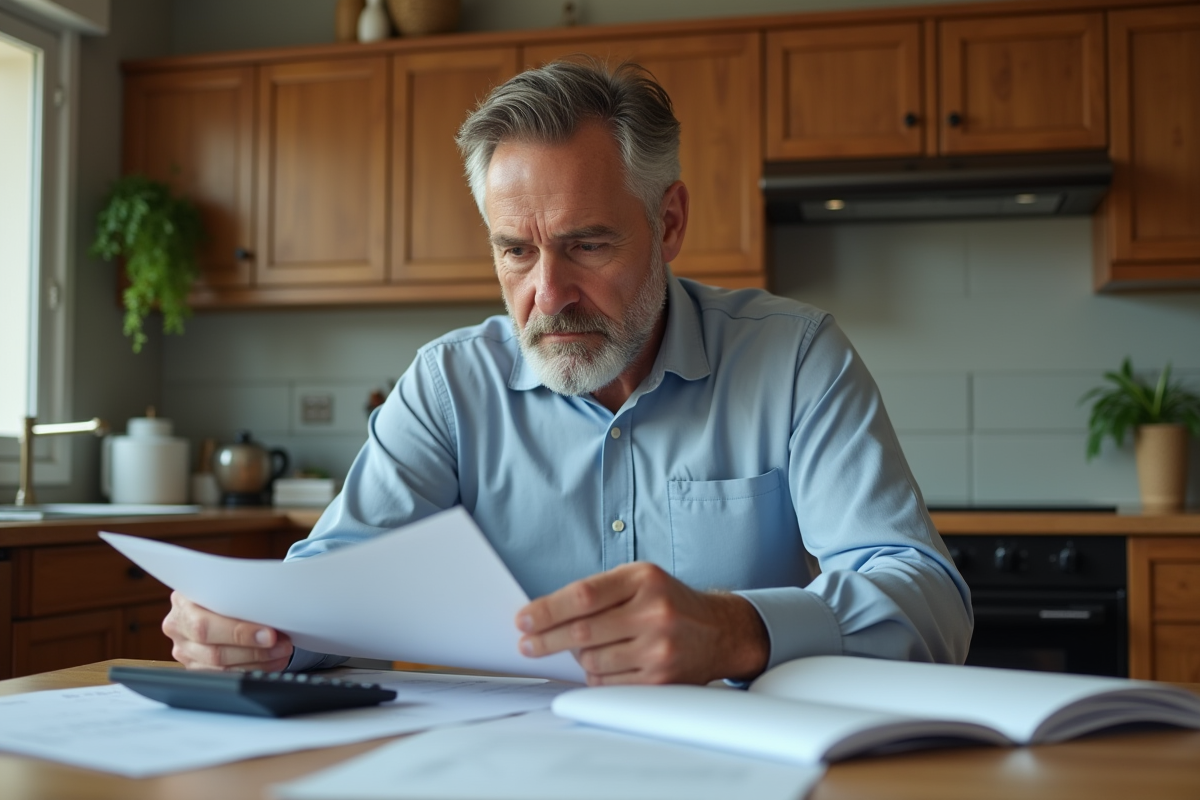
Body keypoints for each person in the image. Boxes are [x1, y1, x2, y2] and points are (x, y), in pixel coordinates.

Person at [164, 60, 972, 686]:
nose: (548, 295)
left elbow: (929, 601)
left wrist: (734, 629)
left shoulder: (793, 359)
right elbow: (330, 591)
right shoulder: (449, 388)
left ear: (669, 222)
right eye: (516, 251)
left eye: (587, 245)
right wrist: (259, 634)